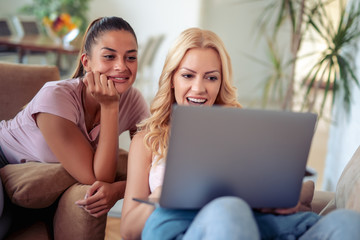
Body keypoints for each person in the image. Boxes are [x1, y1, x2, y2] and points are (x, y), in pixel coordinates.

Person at [120, 27, 360, 240]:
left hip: (263, 226)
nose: (199, 88)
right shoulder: (147, 140)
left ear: (221, 82)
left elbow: (286, 194)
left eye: (211, 77)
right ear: (172, 79)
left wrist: (279, 200)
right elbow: (128, 230)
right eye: (188, 75)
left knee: (348, 223)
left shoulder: (245, 131)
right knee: (228, 209)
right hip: (186, 227)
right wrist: (159, 197)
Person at [0, 16, 149, 237]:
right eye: (109, 56)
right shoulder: (56, 96)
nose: (121, 67)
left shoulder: (133, 99)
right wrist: (109, 108)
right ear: (86, 62)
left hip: (37, 190)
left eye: (131, 57)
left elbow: (153, 166)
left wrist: (118, 190)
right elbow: (95, 178)